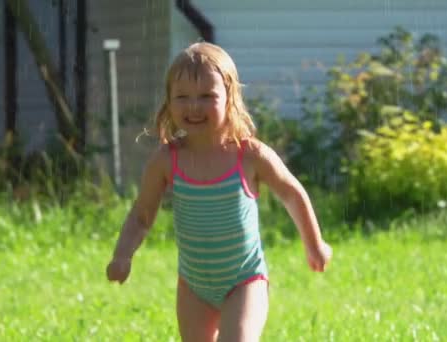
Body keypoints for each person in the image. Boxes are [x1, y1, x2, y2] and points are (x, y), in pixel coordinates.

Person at [105, 42, 332, 341]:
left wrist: (313, 244)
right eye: (182, 97)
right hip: (194, 284)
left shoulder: (250, 155)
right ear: (169, 103)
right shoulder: (166, 160)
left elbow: (291, 193)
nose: (193, 106)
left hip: (245, 280)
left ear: (230, 98)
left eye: (207, 96)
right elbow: (142, 215)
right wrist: (123, 255)